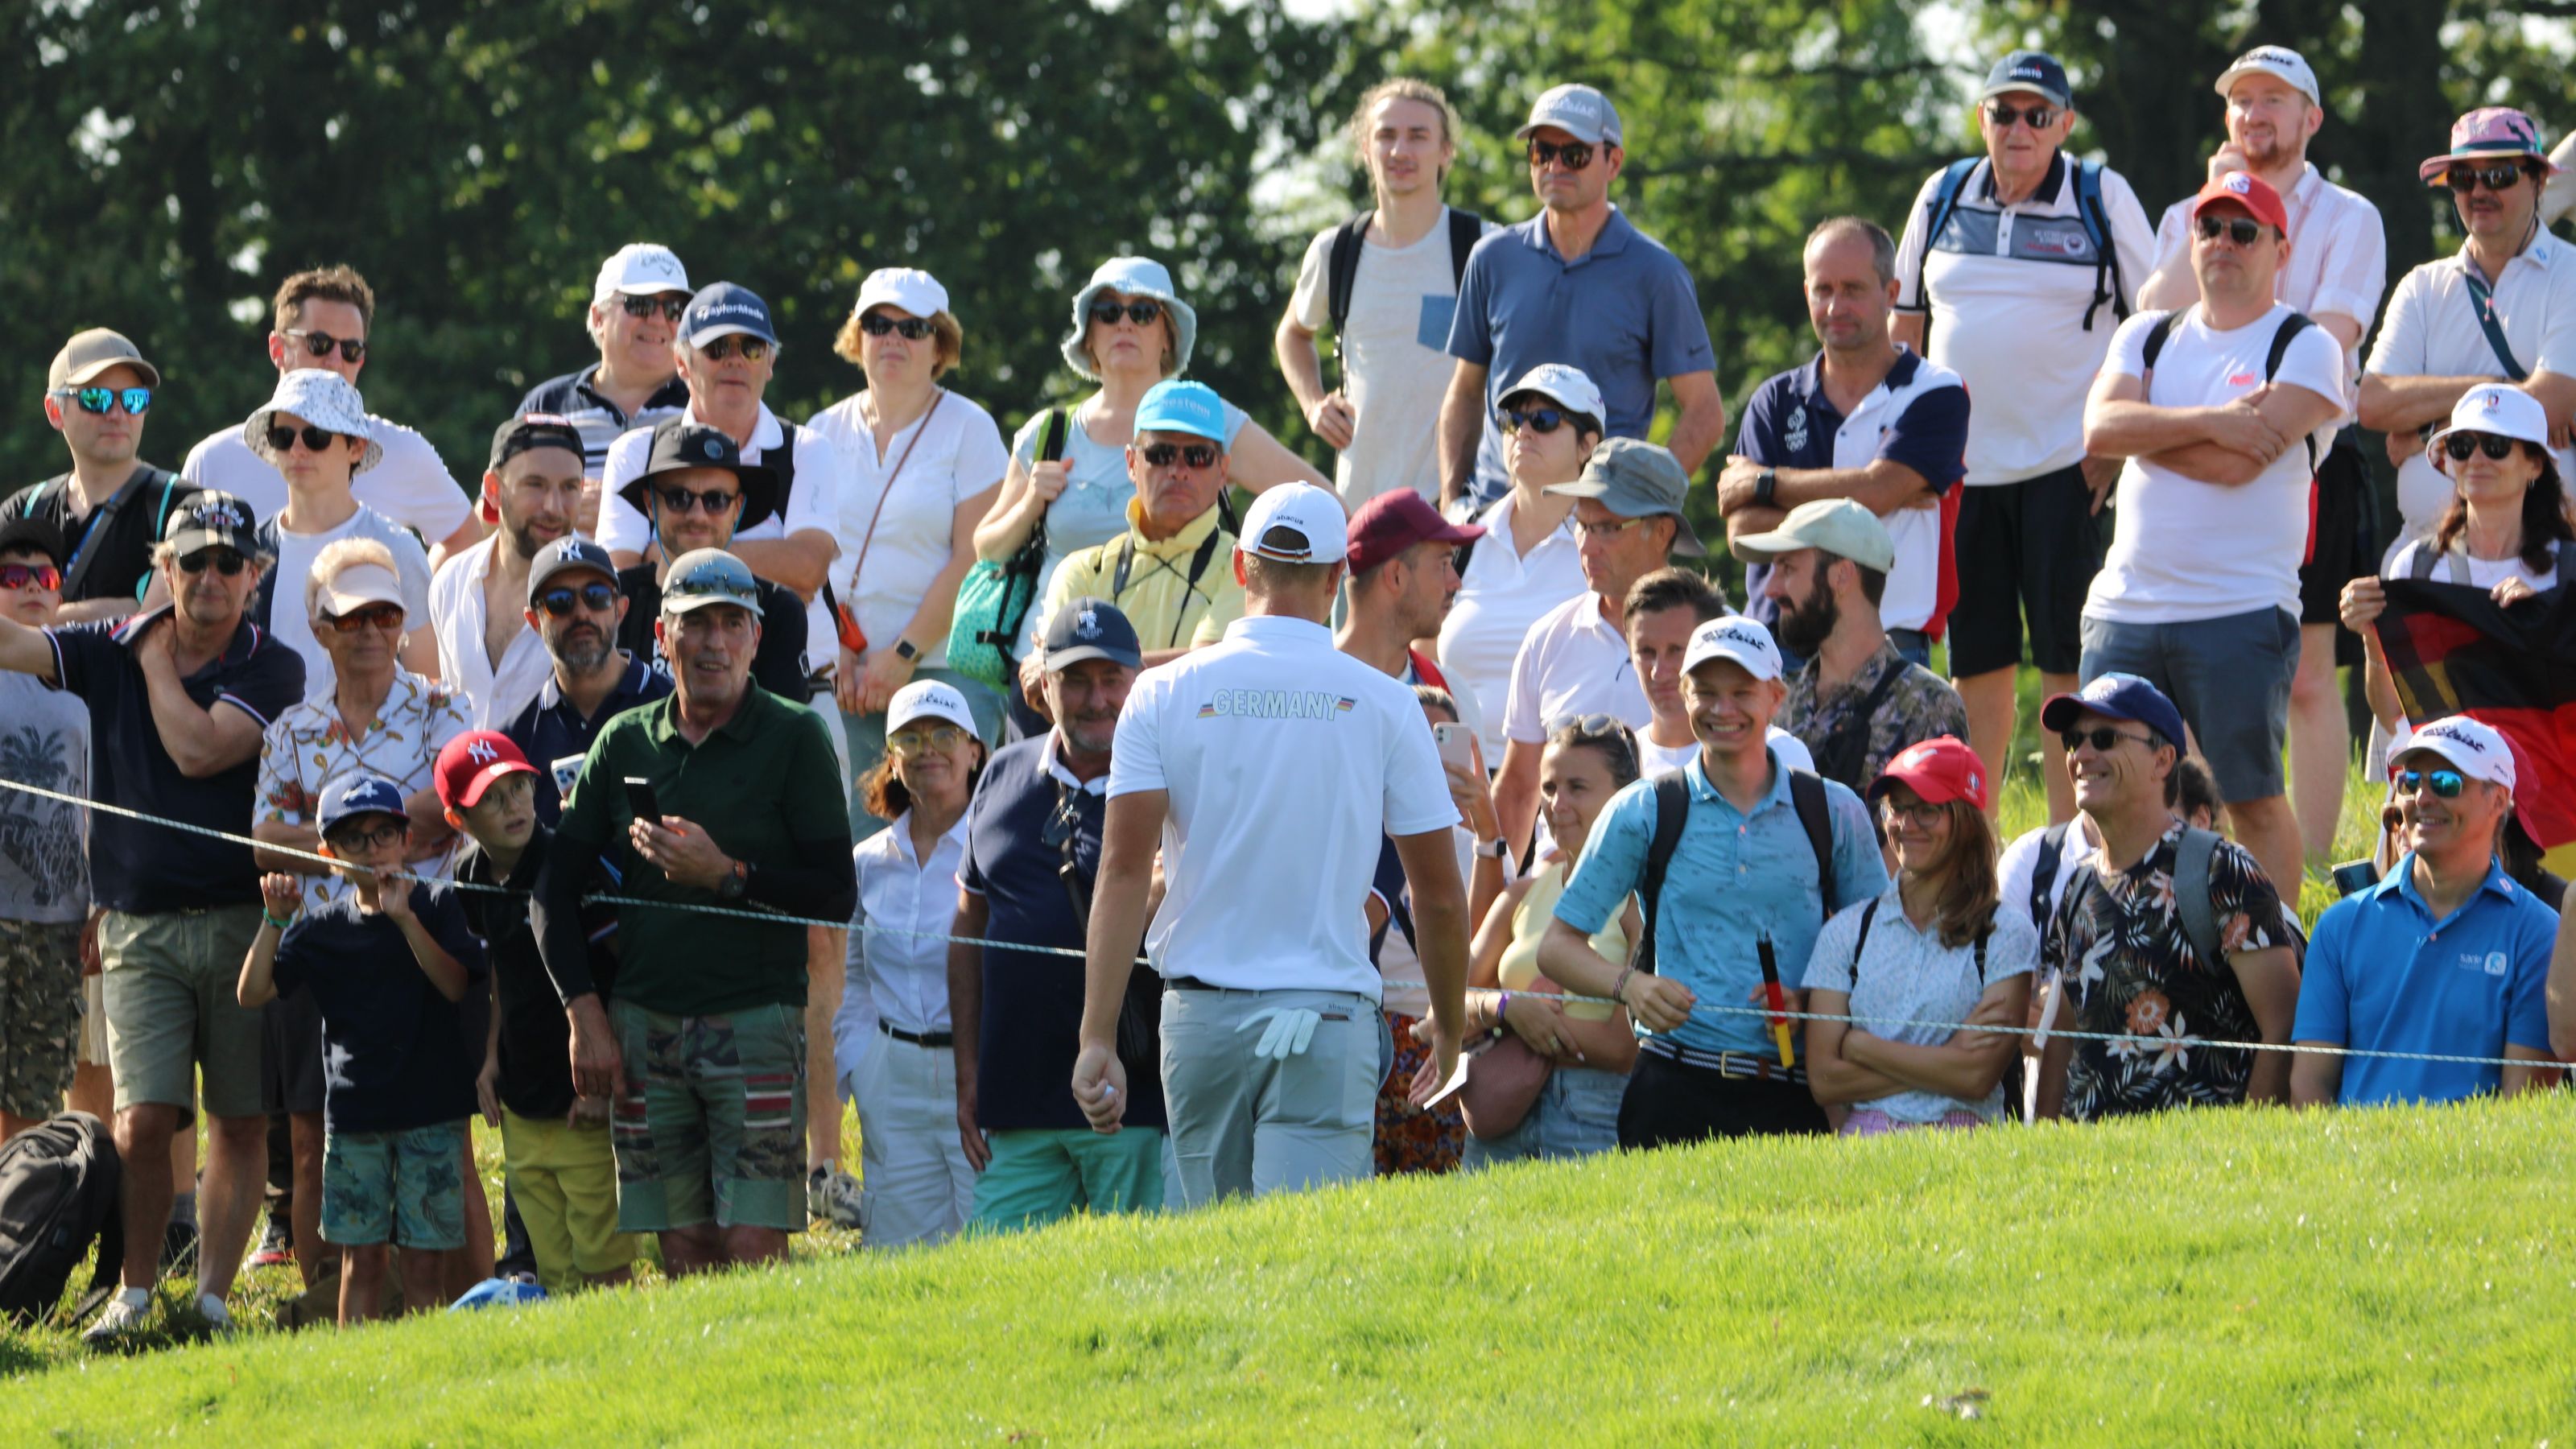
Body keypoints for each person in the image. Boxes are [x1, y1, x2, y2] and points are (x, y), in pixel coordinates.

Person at [1070, 483, 1470, 1203]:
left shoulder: (1162, 695)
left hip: (1201, 1018)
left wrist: (1097, 1036)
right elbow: (1438, 896)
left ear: (1241, 569)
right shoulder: (1386, 703)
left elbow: (1124, 874)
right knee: (1311, 1264)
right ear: (1336, 580)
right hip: (1325, 1018)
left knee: (1214, 1266)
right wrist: (1446, 1024)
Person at [0, 493, 304, 1340]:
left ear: (255, 575)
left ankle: (208, 1299)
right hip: (137, 924)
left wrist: (149, 653)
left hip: (246, 920)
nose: (209, 578)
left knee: (241, 1118)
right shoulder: (109, 646)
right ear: (163, 569)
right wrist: (127, 635)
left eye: (227, 563)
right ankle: (136, 1294)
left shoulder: (271, 665)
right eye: (192, 561)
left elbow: (198, 747)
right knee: (141, 1120)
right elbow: (13, 640)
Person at [535, 548, 856, 1273]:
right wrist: (584, 1015)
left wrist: (729, 874)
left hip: (758, 1021)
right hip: (645, 1027)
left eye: (730, 625)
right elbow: (553, 887)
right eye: (695, 624)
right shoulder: (623, 740)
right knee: (680, 1245)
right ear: (661, 637)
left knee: (753, 1245)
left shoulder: (795, 736)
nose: (713, 642)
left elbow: (837, 892)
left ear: (755, 639)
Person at [1889, 51, 2157, 819]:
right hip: (1961, 474)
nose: (2018, 128)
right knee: (1977, 663)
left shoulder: (2101, 196)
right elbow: (1903, 328)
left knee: (2067, 668)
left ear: (2065, 126)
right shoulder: (1941, 194)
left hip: (2064, 465)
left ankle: (2069, 839)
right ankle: (1975, 834)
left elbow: (2155, 326)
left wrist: (2111, 449)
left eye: (2037, 115)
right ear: (1982, 118)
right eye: (2003, 112)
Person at [2136, 47, 2388, 860]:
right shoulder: (2191, 213)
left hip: (2308, 456)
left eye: (2272, 100)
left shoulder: (2348, 216)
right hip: (2193, 456)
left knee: (2311, 670)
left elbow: (2333, 341)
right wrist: (2214, 204)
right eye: (2240, 101)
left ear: (2309, 119)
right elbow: (2148, 324)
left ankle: (2307, 866)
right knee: (2198, 665)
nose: (2253, 116)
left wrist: (2240, 401)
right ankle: (2204, 853)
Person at [2078, 170, 2346, 897]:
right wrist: (2214, 421)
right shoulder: (2147, 334)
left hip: (2239, 608)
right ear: (2189, 241)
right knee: (2105, 798)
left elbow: (2240, 469)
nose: (2224, 243)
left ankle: (2278, 970)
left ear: (2280, 251)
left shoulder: (2307, 345)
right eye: (2210, 227)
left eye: (2244, 230)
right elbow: (2099, 428)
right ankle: (2120, 960)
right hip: (2126, 607)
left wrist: (2148, 434)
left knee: (2249, 797)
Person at [1538, 617, 1888, 1146]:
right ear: (1684, 695)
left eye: (1741, 692)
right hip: (1670, 1085)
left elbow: (1881, 950)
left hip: (1793, 1087)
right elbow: (1557, 946)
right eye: (1705, 692)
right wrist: (1628, 985)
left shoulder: (1832, 809)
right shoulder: (1644, 809)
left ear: (1776, 696)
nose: (1722, 709)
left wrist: (1816, 1001)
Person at [250, 537, 472, 1293]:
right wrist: (362, 843)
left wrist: (333, 833)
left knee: (446, 1142)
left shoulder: (447, 708)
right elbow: (260, 842)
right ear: (321, 627)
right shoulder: (291, 730)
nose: (372, 630)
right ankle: (328, 1312)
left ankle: (456, 1309)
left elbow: (450, 809)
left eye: (386, 613)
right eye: (353, 618)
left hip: (423, 954)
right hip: (325, 957)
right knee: (312, 1139)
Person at [970, 256, 1323, 725]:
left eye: (1142, 312)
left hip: (1178, 679)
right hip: (1051, 676)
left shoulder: (1208, 418)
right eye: (1108, 311)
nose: (1124, 324)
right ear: (1088, 336)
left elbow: (1318, 505)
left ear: (1167, 335)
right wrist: (1032, 502)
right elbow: (985, 548)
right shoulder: (1050, 431)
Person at [237, 775, 484, 1327]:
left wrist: (405, 919)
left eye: (383, 835)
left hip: (433, 1112)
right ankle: (358, 1372)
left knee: (425, 1262)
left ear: (408, 841)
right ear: (329, 855)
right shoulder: (322, 929)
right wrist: (274, 921)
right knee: (361, 1261)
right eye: (354, 841)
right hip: (355, 1119)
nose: (372, 851)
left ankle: (425, 1369)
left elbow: (455, 984)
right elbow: (252, 993)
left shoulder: (440, 905)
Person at [952, 601, 1166, 1231]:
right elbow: (967, 928)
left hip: (1136, 1105)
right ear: (1043, 686)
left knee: (1141, 1293)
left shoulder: (1176, 781)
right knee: (996, 1295)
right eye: (1075, 679)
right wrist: (970, 1073)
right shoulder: (1000, 774)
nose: (1095, 699)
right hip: (1018, 1108)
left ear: (1138, 681)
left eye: (1111, 679)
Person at [1437, 83, 1723, 514]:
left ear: (1614, 162)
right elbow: (1464, 392)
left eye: (1574, 154)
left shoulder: (1657, 273)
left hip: (1598, 524)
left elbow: (1705, 412)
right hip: (1493, 513)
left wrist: (1640, 504)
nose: (1555, 165)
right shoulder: (1492, 258)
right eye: (1541, 151)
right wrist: (1452, 503)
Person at [2032, 675, 2300, 1121]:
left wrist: (2253, 1148)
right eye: (2073, 741)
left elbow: (2284, 1028)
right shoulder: (2077, 887)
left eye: (2104, 738)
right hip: (2088, 1177)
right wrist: (2042, 1150)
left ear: (2162, 760)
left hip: (2199, 1172)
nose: (2081, 754)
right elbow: (2061, 1038)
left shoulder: (2221, 871)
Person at [806, 267, 1010, 838]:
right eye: (878, 324)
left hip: (945, 668)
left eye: (913, 327)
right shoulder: (822, 430)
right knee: (849, 845)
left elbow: (975, 559)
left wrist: (902, 654)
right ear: (858, 336)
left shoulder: (970, 428)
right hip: (844, 677)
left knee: (952, 840)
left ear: (939, 344)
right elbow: (813, 560)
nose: (893, 338)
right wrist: (835, 654)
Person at [1720, 217, 1973, 674]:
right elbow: (1743, 531)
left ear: (1892, 292)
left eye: (1853, 289)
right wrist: (1868, 499)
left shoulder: (1937, 391)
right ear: (1807, 294)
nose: (1836, 306)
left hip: (1890, 645)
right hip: (1779, 649)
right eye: (1823, 290)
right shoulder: (1773, 401)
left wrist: (1763, 483)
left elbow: (1877, 490)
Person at [443, 731, 638, 1293]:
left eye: (520, 788)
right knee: (552, 1265)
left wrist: (604, 1079)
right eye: (492, 799)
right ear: (459, 819)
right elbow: (503, 969)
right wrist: (489, 1056)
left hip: (584, 1095)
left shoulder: (567, 863)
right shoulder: (470, 876)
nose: (514, 807)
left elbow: (618, 972)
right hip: (522, 1097)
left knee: (604, 1259)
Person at [1340, 496, 1496, 1174]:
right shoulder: (1313, 689)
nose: (1456, 581)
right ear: (1394, 578)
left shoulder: (1444, 687)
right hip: (1328, 1008)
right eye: (1443, 564)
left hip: (1424, 1018)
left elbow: (1457, 874)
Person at [2292, 716, 2556, 1108]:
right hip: (2352, 1161)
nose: (2423, 798)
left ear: (2498, 800)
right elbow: (2309, 1091)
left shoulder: (2538, 932)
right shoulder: (2340, 926)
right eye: (2410, 781)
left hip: (2474, 1164)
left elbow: (2523, 1106)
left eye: (2446, 783)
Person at [597, 281, 844, 690]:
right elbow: (623, 579)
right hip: (662, 687)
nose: (735, 361)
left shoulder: (806, 449)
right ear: (681, 363)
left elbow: (807, 569)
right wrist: (769, 569)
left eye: (751, 348)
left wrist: (672, 555)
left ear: (770, 363)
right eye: (717, 349)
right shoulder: (636, 451)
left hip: (797, 688)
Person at [2362, 108, 2576, 563]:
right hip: (2431, 554)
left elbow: (2554, 399)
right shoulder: (2421, 286)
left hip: (2552, 556)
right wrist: (2500, 391)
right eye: (2463, 178)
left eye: (2498, 175)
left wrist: (2428, 431)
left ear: (2538, 181)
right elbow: (2374, 402)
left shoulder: (2571, 273)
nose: (2480, 191)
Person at [1802, 737, 2037, 1133]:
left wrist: (1862, 1048)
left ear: (1964, 819)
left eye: (1927, 811)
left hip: (1968, 1156)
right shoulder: (1847, 932)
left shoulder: (2004, 934)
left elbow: (1978, 1078)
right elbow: (1824, 1081)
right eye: (1897, 808)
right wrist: (1947, 1058)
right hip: (1860, 1158)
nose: (1906, 825)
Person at [1278, 77, 1490, 509]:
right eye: (1386, 135)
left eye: (1418, 136)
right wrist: (1314, 404)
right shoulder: (1335, 251)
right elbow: (1292, 334)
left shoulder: (1482, 248)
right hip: (1358, 506)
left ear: (1445, 151)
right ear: (1365, 150)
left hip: (1458, 507)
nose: (1400, 151)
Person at [180, 266, 479, 568]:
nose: (335, 361)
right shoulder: (213, 461)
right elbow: (174, 571)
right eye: (319, 343)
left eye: (351, 349)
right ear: (277, 349)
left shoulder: (402, 451)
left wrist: (416, 595)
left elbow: (467, 540)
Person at [1447, 716, 1641, 1166]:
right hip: (1501, 1114)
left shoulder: (1641, 901)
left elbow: (1622, 1047)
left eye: (1577, 787)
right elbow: (1445, 1006)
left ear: (1625, 798)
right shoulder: (1523, 894)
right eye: (1549, 789)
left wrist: (1518, 1021)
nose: (1557, 804)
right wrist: (1507, 1008)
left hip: (1595, 1113)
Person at [1493, 437, 1699, 857]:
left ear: (1661, 532)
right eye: (1582, 525)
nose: (1586, 545)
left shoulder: (1718, 640)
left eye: (1607, 528)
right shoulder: (1547, 639)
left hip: (1678, 901)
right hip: (1561, 900)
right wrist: (1488, 908)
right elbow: (1518, 790)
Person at [837, 680, 986, 1246]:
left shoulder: (998, 849)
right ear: (892, 762)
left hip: (979, 1074)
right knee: (897, 1260)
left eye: (946, 733)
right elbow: (849, 974)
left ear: (975, 751)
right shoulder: (867, 863)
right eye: (912, 737)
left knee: (988, 1249)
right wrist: (860, 1060)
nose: (930, 748)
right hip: (891, 1075)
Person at [2341, 386, 2573, 735]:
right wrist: (2372, 639)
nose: (2477, 460)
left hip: (2545, 784)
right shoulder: (2416, 567)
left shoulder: (2568, 574)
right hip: (2446, 783)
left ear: (2535, 465)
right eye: (2462, 447)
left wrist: (2546, 627)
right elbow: (2393, 716)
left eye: (2496, 447)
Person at [1020, 381, 1252, 700]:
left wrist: (1081, 669)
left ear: (1223, 470)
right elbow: (1051, 694)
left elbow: (1211, 676)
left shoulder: (1247, 567)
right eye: (1161, 454)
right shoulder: (1082, 569)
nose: (1178, 471)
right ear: (1131, 463)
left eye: (1198, 456)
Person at [1739, 499, 1968, 797]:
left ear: (1842, 576)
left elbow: (1941, 836)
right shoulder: (1779, 699)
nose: (1771, 589)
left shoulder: (1927, 705)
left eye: (1788, 568)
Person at [234, 368, 440, 700]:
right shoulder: (251, 549)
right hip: (269, 747)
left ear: (356, 447)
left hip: (376, 748)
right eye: (283, 437)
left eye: (316, 436)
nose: (298, 449)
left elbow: (428, 687)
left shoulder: (396, 548)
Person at [1433, 365, 1599, 760]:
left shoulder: (1605, 547)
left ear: (1587, 446)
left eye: (1544, 420)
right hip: (1457, 788)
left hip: (1564, 795)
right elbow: (1421, 656)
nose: (1524, 431)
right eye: (1512, 420)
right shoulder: (1461, 537)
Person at [0, 519, 93, 1138]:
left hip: (58, 921)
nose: (33, 587)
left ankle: (17, 1226)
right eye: (13, 576)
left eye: (46, 576)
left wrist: (101, 906)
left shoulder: (87, 677)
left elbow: (104, 802)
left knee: (34, 1092)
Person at [4, 328, 195, 624]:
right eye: (96, 398)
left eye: (134, 399)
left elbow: (152, 623)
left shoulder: (185, 507)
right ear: (55, 411)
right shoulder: (23, 511)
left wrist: (44, 619)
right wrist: (120, 608)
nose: (118, 414)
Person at [612, 419, 811, 700]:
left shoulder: (777, 611)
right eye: (678, 498)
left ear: (737, 508)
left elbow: (781, 735)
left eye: (716, 499)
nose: (697, 515)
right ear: (649, 504)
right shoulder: (610, 600)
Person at [429, 415, 587, 729]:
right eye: (535, 485)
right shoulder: (450, 582)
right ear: (493, 489)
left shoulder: (601, 591)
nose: (554, 507)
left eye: (570, 487)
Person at [504, 537, 672, 827]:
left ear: (620, 610)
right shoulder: (517, 738)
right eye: (560, 602)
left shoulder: (675, 707)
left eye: (596, 596)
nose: (581, 613)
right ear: (534, 622)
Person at [516, 243, 695, 498]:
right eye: (640, 305)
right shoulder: (547, 406)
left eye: (674, 309)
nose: (657, 320)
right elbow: (494, 510)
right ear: (599, 318)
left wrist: (616, 510)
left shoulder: (704, 406)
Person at [1620, 566, 1814, 778]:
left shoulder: (1780, 753)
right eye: (1647, 652)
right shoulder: (1618, 760)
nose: (1659, 671)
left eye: (1676, 650)